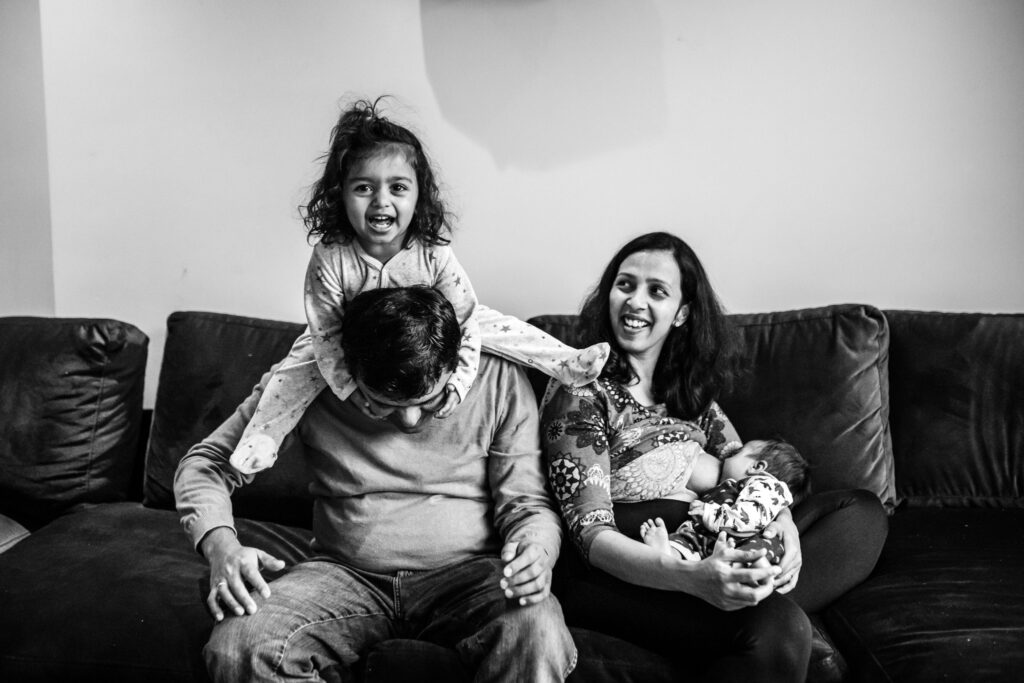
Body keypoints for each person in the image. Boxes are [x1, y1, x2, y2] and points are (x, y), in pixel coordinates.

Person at [174, 286, 577, 682]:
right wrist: (221, 547)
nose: (410, 422)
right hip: (345, 575)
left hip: (470, 577)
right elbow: (206, 463)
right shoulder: (305, 379)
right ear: (345, 370)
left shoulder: (496, 375)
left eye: (433, 401)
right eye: (381, 403)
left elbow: (528, 504)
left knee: (537, 631)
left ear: (457, 363)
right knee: (239, 645)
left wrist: (536, 551)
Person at [541, 231, 888, 682]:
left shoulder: (688, 394)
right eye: (625, 285)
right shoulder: (581, 389)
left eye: (657, 291)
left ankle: (739, 601)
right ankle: (744, 611)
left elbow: (747, 469)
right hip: (625, 569)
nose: (635, 302)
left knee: (859, 513)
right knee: (780, 631)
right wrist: (695, 579)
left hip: (719, 538)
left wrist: (783, 529)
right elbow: (591, 538)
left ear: (682, 313)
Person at [230, 98, 607, 474]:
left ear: (417, 196)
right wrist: (352, 390)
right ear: (340, 194)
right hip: (352, 338)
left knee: (498, 326)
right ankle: (262, 439)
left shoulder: (432, 252)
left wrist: (457, 383)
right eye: (364, 188)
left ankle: (564, 361)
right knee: (298, 364)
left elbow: (467, 320)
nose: (381, 200)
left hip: (428, 331)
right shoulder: (331, 256)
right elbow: (326, 332)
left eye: (397, 188)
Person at [640, 438, 809, 565]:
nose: (726, 457)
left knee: (758, 552)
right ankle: (668, 554)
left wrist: (709, 513)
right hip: (710, 537)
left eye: (737, 453)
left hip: (738, 540)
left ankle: (738, 569)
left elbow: (747, 519)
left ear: (756, 468)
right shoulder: (734, 486)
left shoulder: (765, 486)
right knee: (686, 543)